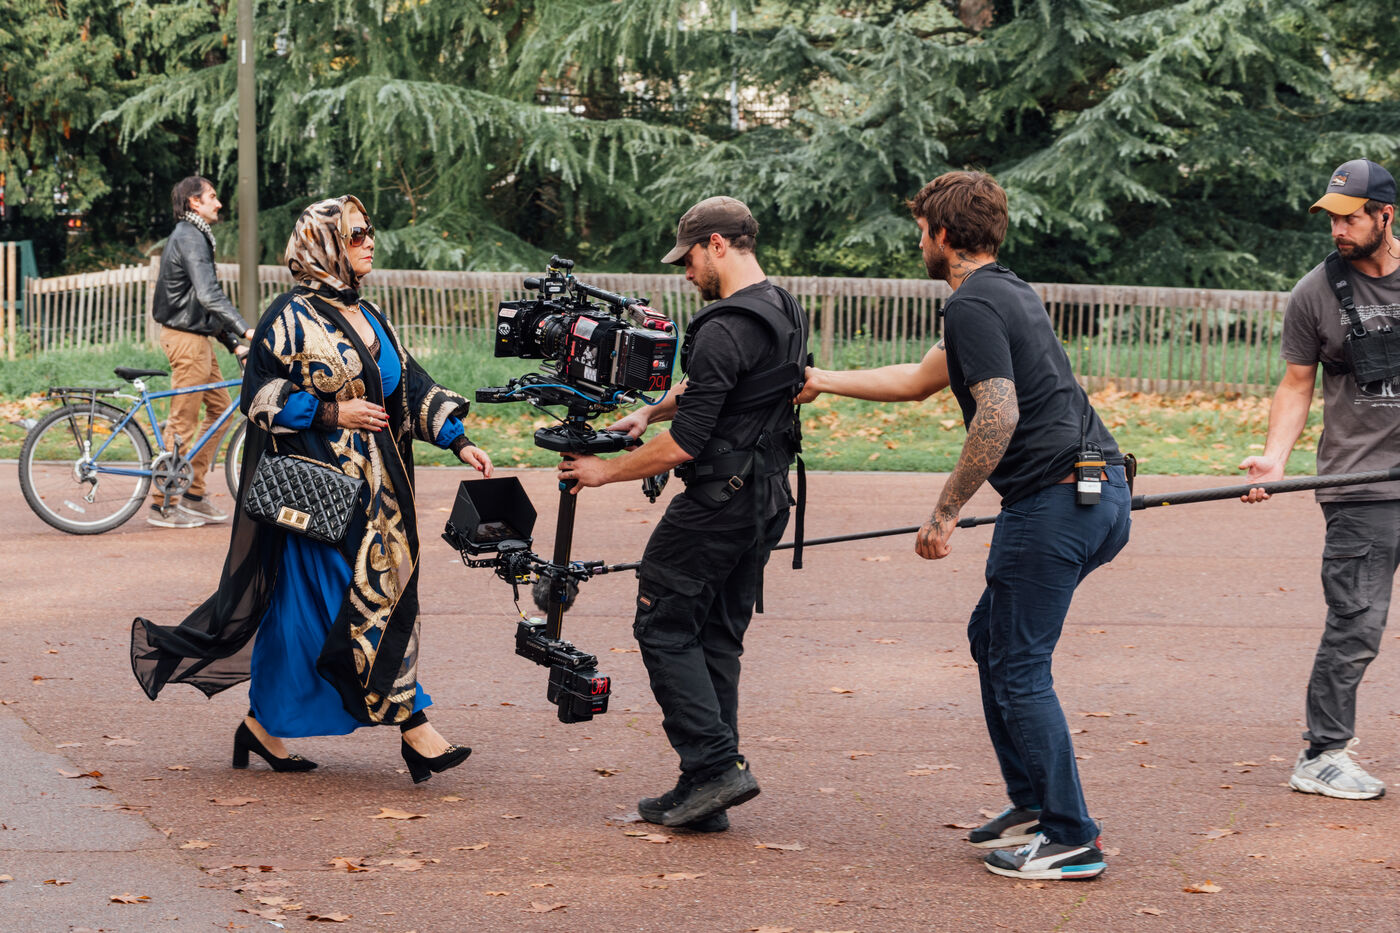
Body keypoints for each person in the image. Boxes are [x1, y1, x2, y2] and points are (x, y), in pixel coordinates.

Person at [799, 171, 1130, 881]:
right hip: (1097, 494)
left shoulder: (972, 303)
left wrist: (947, 508)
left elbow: (999, 413)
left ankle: (1071, 837)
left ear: (943, 234)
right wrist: (823, 379)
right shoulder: (1007, 292)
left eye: (922, 231)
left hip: (1054, 503)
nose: (919, 242)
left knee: (1019, 665)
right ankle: (1034, 803)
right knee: (993, 641)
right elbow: (920, 380)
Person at [131, 195, 493, 784]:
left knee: (304, 617)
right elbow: (258, 397)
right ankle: (414, 724)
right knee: (356, 605)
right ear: (324, 246)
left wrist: (457, 440)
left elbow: (409, 385)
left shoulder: (370, 314)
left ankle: (261, 727)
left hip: (381, 499)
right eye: (356, 234)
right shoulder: (288, 317)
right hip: (322, 497)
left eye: (369, 231)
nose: (369, 242)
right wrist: (331, 412)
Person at [556, 196, 809, 832]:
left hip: (716, 504)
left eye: (689, 259)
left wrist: (602, 471)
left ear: (716, 244)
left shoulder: (720, 327)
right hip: (767, 499)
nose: (687, 272)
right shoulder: (782, 307)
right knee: (717, 638)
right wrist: (651, 410)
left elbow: (687, 445)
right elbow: (716, 390)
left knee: (663, 626)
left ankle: (716, 767)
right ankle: (707, 787)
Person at [1240, 158, 1400, 800]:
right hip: (1360, 486)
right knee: (1356, 623)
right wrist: (1275, 459)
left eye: (1351, 217)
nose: (1338, 229)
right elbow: (1296, 383)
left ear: (1385, 215)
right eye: (1331, 218)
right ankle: (1323, 753)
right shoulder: (1315, 292)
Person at [148, 176, 256, 528]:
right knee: (183, 419)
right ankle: (163, 504)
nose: (218, 203)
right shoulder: (190, 236)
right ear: (194, 202)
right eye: (212, 196)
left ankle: (192, 493)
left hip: (198, 338)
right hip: (186, 341)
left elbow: (200, 302)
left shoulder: (195, 235)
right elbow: (210, 296)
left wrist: (234, 343)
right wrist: (245, 329)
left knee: (221, 408)